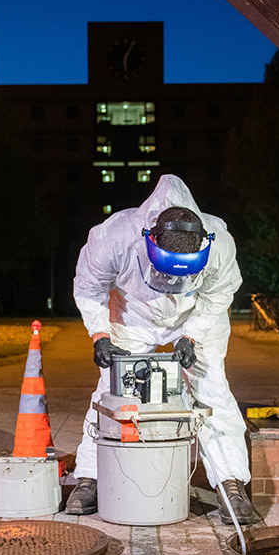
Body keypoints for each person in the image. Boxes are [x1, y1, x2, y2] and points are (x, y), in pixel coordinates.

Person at [67, 174, 259, 525]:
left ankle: (230, 483)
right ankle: (91, 476)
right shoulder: (113, 237)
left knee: (212, 390)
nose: (171, 284)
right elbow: (88, 289)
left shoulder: (219, 244)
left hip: (195, 314)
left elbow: (220, 293)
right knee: (113, 392)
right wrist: (100, 335)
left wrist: (193, 336)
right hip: (132, 313)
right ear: (149, 241)